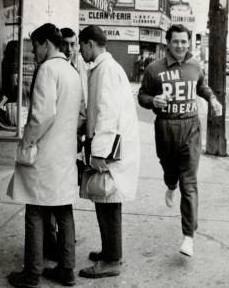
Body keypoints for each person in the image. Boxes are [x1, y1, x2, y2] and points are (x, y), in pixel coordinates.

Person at [7, 23, 82, 287]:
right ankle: (67, 268)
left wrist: (27, 140)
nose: (33, 52)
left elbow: (42, 115)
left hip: (45, 155)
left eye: (35, 46)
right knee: (64, 210)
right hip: (65, 154)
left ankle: (32, 272)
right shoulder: (72, 72)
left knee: (35, 211)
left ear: (46, 44)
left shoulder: (48, 69)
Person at [138, 24, 222, 257]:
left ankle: (188, 236)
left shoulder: (195, 65)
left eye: (185, 42)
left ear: (189, 43)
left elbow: (202, 86)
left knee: (190, 183)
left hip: (191, 127)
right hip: (165, 128)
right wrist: (153, 101)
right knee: (169, 170)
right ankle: (170, 184)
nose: (181, 46)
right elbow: (142, 96)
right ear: (168, 43)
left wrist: (213, 99)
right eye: (176, 42)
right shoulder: (154, 69)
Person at [78, 25, 140, 278]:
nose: (80, 51)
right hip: (113, 144)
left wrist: (98, 152)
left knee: (109, 200)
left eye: (81, 46)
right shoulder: (106, 68)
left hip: (111, 147)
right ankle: (109, 251)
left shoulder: (105, 70)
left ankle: (112, 259)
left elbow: (107, 114)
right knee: (105, 199)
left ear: (90, 44)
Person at [41, 27, 88, 262]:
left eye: (74, 44)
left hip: (68, 143)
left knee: (60, 200)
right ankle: (53, 246)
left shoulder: (80, 71)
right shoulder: (60, 68)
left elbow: (83, 111)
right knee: (54, 201)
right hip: (60, 142)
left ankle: (62, 248)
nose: (70, 49)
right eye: (66, 44)